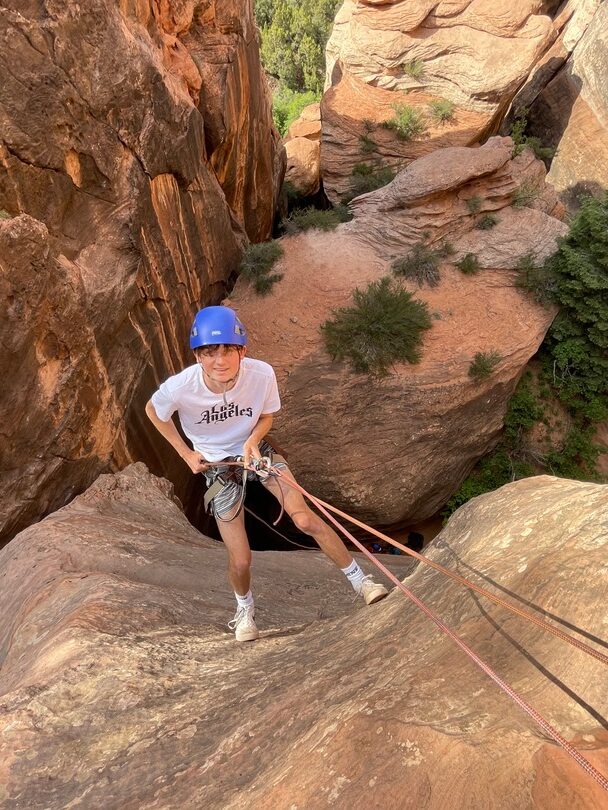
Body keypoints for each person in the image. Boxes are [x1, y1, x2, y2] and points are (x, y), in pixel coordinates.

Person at [145, 305, 389, 641]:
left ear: (242, 350)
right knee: (241, 559)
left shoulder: (261, 374)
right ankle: (244, 611)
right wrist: (186, 453)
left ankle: (362, 582)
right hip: (218, 467)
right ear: (198, 356)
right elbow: (153, 411)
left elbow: (266, 417)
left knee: (304, 519)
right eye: (209, 352)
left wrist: (252, 442)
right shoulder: (181, 387)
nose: (219, 360)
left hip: (257, 452)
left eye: (227, 350)